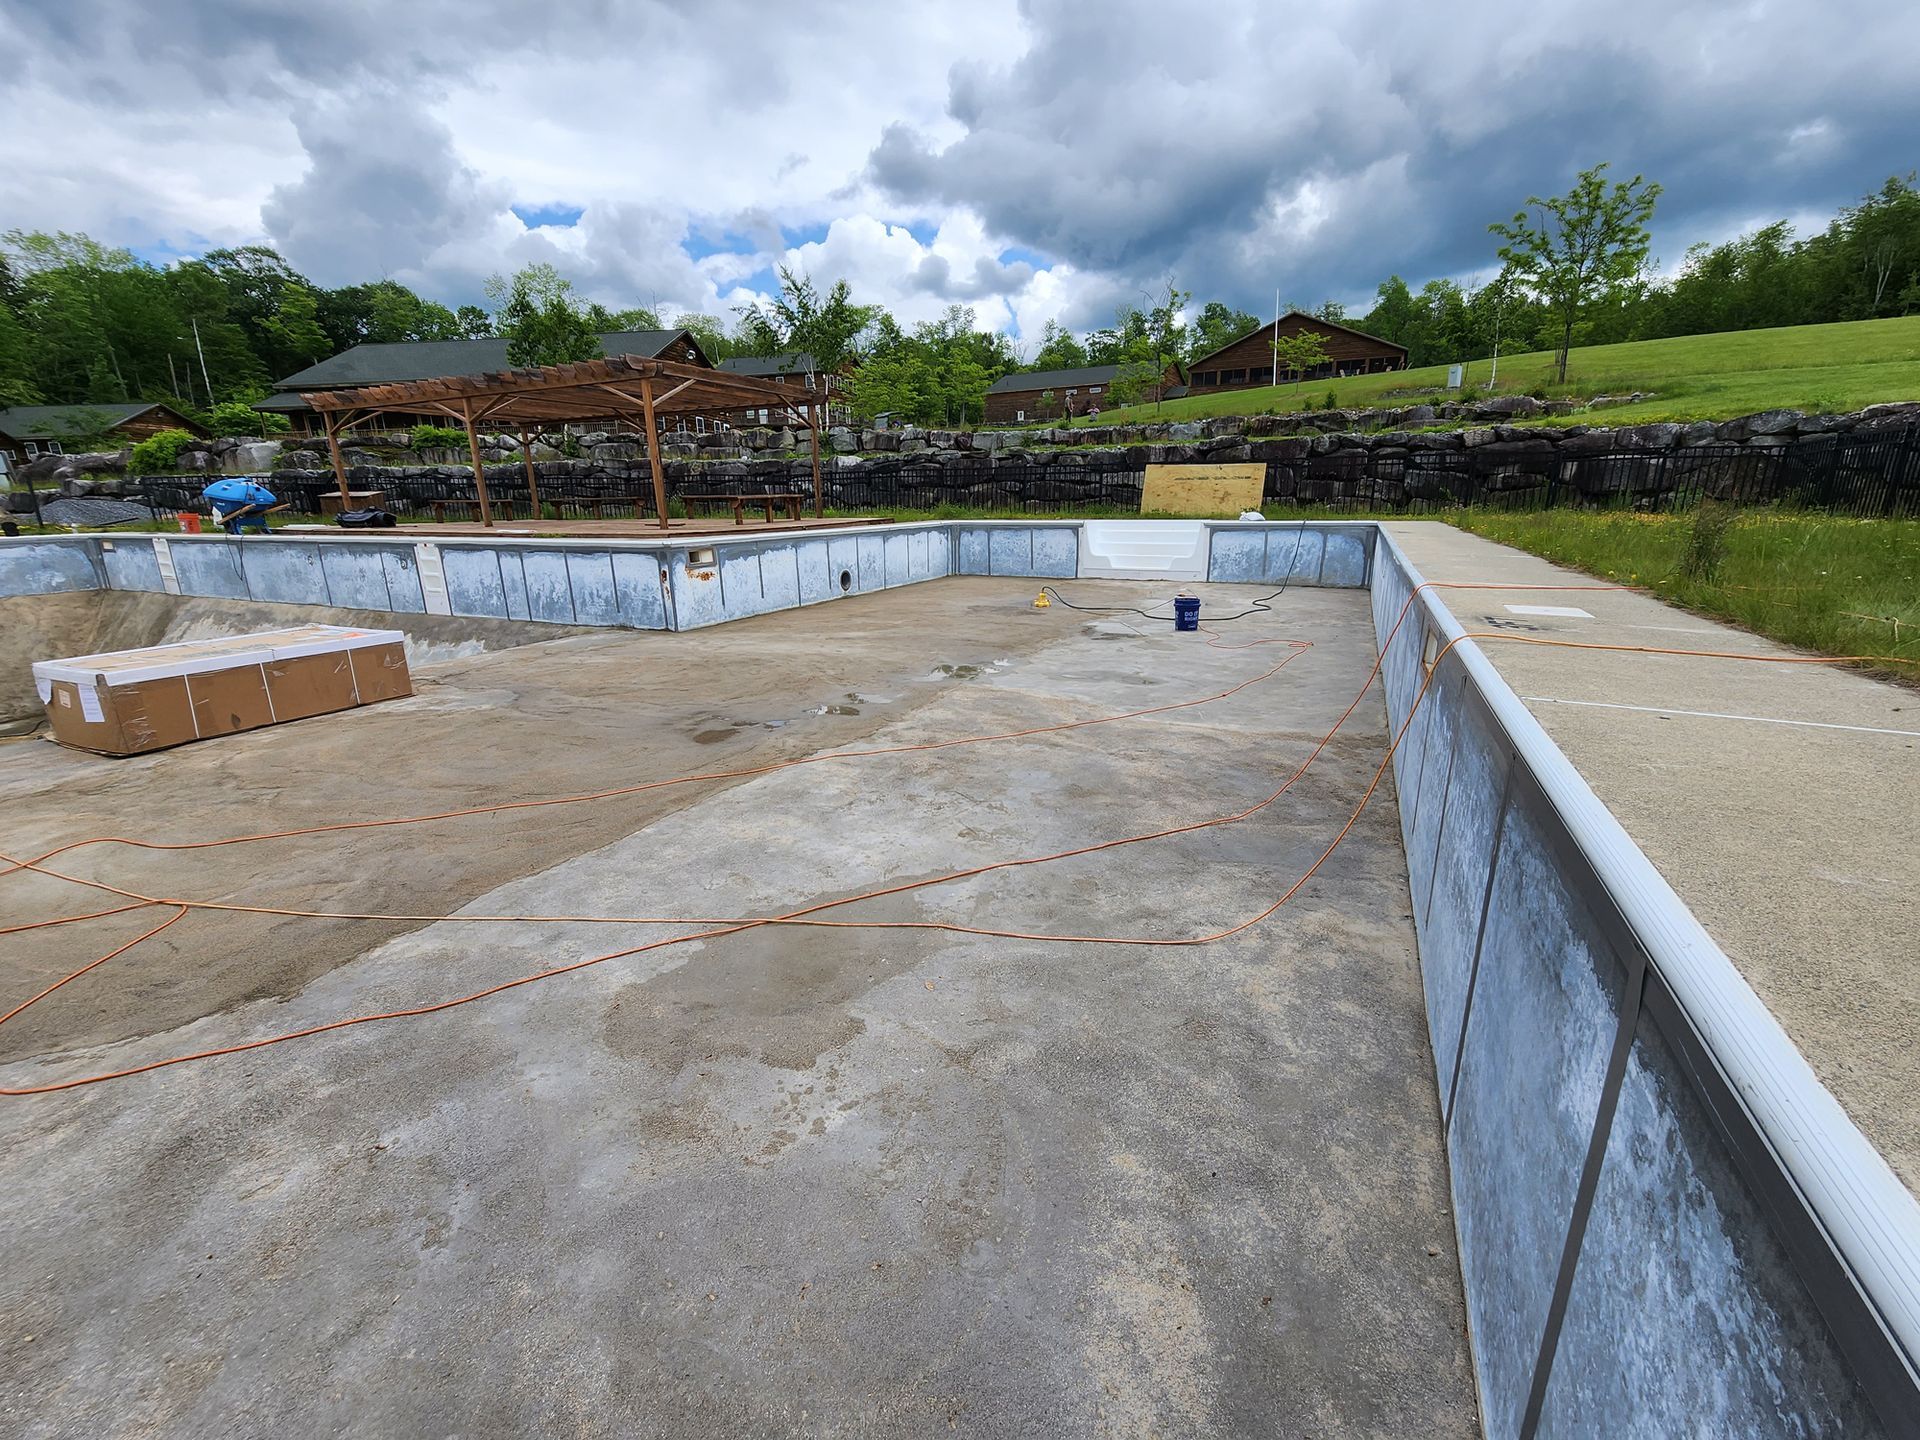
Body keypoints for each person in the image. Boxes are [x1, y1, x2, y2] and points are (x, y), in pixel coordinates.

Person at [202, 478, 279, 535]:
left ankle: (235, 528)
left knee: (234, 514)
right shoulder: (237, 488)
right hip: (241, 504)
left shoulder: (245, 488)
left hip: (239, 504)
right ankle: (234, 528)